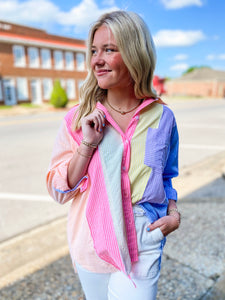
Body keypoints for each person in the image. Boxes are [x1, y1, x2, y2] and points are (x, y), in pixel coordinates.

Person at [46, 10, 180, 300]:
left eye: (109, 49)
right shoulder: (77, 119)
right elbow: (59, 190)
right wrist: (87, 145)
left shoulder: (163, 117)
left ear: (134, 53)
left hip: (143, 239)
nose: (97, 60)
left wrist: (173, 213)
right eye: (94, 51)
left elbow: (167, 176)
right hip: (93, 243)